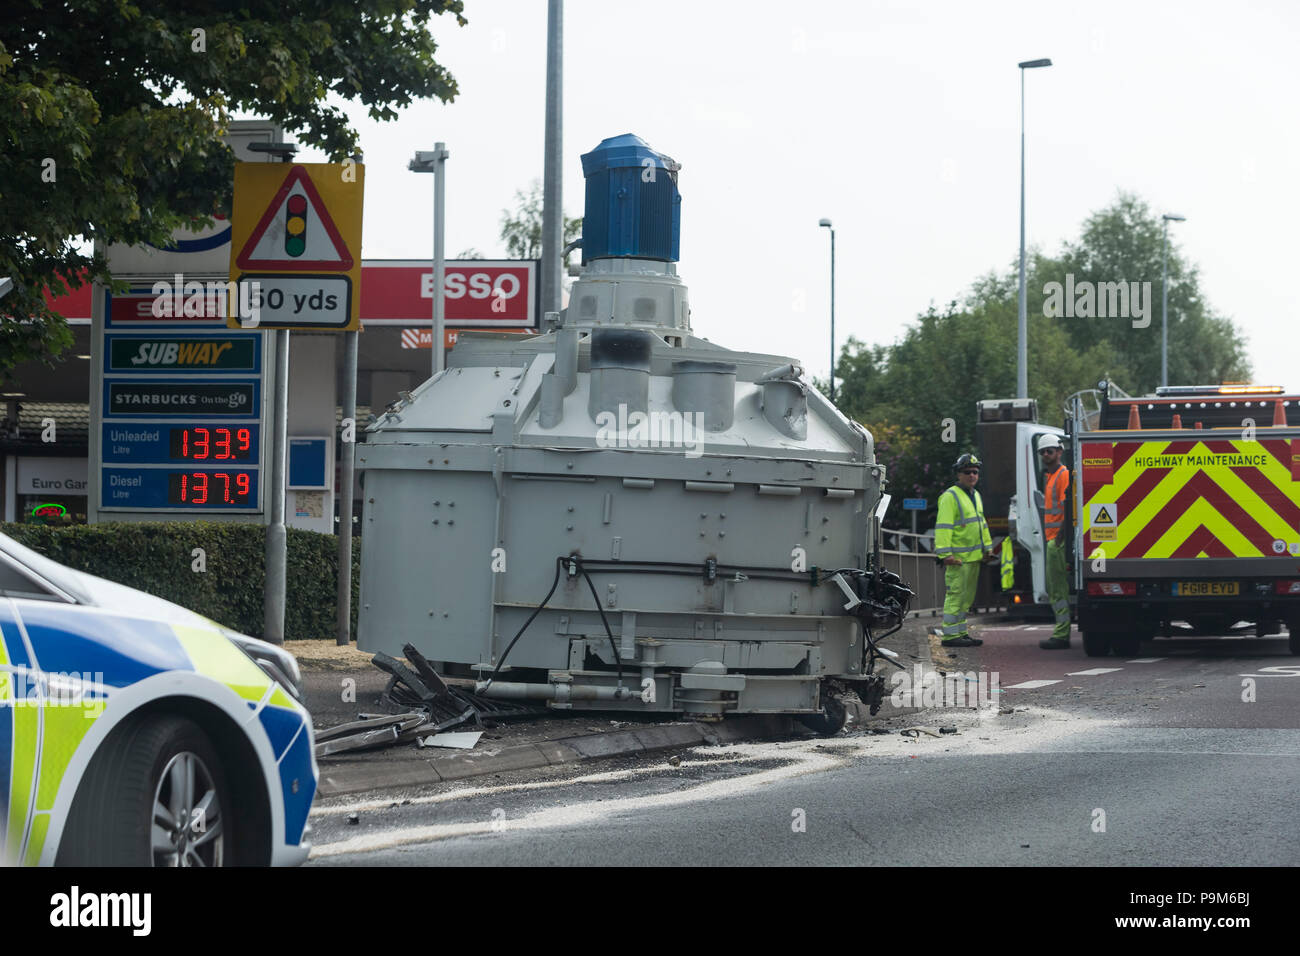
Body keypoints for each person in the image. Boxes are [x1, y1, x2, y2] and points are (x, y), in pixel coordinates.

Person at [933, 453, 994, 647]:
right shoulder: (950, 496)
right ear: (958, 474)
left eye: (975, 472)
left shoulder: (975, 495)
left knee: (965, 599)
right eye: (967, 472)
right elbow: (943, 526)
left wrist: (988, 548)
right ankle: (950, 636)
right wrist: (945, 554)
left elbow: (981, 523)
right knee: (956, 596)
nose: (972, 475)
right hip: (958, 559)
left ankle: (960, 632)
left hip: (974, 557)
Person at [1037, 434, 1072, 649]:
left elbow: (1068, 508)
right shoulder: (1052, 477)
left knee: (1058, 589)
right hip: (1053, 540)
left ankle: (1061, 634)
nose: (1045, 455)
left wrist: (1059, 538)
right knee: (1055, 588)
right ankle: (1061, 631)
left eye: (1049, 451)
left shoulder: (1062, 475)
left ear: (1059, 451)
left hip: (1056, 542)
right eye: (1042, 452)